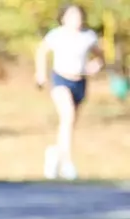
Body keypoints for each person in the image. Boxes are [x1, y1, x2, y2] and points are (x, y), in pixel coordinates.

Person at [35, 4, 104, 180]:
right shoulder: (57, 35)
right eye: (71, 16)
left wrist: (96, 65)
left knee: (69, 125)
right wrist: (41, 74)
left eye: (78, 16)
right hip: (60, 80)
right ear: (64, 18)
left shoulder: (88, 37)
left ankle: (54, 154)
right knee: (68, 117)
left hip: (80, 82)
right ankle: (67, 163)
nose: (76, 20)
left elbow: (99, 55)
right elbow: (42, 51)